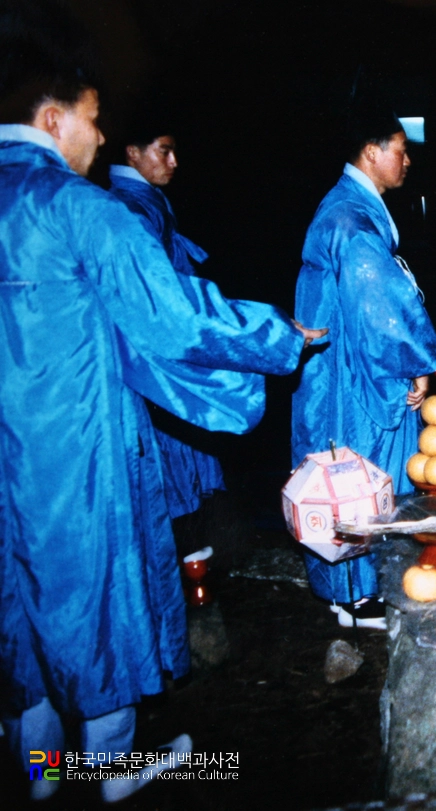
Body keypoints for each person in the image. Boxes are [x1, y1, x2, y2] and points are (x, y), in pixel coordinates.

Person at [0, 18, 323, 802]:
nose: (102, 136)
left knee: (16, 598)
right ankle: (108, 770)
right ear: (53, 119)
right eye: (95, 117)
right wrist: (279, 334)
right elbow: (174, 315)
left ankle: (41, 770)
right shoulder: (78, 206)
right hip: (75, 445)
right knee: (98, 588)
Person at [291, 110, 436, 630]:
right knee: (363, 474)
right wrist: (417, 362)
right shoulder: (352, 224)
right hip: (357, 373)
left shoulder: (345, 208)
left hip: (333, 367)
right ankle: (358, 597)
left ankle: (344, 595)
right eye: (400, 149)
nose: (407, 159)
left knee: (338, 472)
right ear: (371, 153)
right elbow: (382, 308)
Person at [109, 122, 226, 534]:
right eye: (164, 151)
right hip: (156, 351)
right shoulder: (132, 208)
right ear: (132, 152)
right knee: (163, 463)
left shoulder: (147, 200)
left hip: (167, 341)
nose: (174, 162)